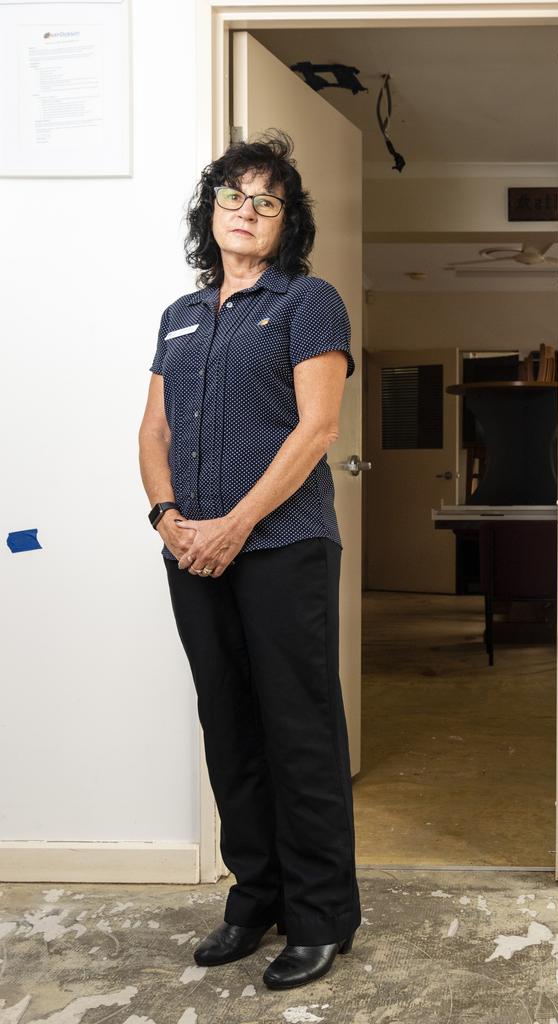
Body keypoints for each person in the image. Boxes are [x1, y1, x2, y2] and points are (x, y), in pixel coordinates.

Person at [138, 129, 361, 991]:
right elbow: (152, 431)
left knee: (298, 730)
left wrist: (233, 522)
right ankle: (255, 896)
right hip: (190, 550)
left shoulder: (310, 302)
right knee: (228, 726)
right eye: (233, 196)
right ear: (211, 211)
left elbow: (317, 429)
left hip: (283, 545)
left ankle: (319, 915)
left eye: (265, 200)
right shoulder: (181, 315)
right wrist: (169, 519)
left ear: (286, 221)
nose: (246, 210)